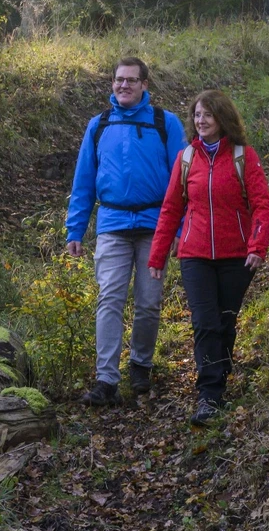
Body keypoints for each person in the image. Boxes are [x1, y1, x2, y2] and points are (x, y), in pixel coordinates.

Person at [66, 57, 188, 405]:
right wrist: (76, 228)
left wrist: (179, 229)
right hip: (112, 225)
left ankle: (140, 366)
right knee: (109, 299)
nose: (124, 86)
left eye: (131, 80)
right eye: (119, 80)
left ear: (145, 85)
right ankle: (106, 380)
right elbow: (83, 181)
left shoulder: (166, 123)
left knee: (149, 303)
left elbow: (182, 182)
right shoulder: (99, 125)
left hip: (155, 227)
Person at [148, 89, 269, 426]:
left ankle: (220, 371)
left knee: (224, 321)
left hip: (237, 255)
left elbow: (262, 204)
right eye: (197, 115)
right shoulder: (187, 158)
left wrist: (257, 247)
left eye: (207, 115)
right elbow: (171, 208)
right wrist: (157, 256)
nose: (200, 121)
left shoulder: (244, 156)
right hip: (195, 255)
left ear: (223, 118)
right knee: (204, 323)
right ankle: (210, 395)